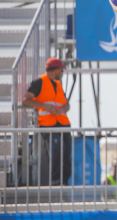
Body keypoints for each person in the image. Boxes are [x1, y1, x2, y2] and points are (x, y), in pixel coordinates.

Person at [22, 57, 71, 186]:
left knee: (66, 154)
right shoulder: (39, 82)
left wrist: (61, 111)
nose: (62, 73)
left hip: (63, 123)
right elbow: (25, 100)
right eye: (61, 70)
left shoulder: (58, 84)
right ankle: (54, 180)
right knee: (56, 151)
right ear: (57, 70)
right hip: (48, 124)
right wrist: (45, 107)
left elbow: (67, 105)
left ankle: (64, 182)